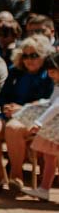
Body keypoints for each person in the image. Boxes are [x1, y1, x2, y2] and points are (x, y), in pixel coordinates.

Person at [0, 35, 55, 191]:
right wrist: (6, 108)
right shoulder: (15, 72)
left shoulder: (49, 75)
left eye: (34, 55)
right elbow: (3, 97)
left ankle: (16, 177)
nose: (29, 59)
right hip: (10, 114)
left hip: (35, 117)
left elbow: (48, 102)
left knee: (13, 128)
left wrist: (23, 109)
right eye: (25, 55)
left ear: (44, 56)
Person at [25, 53, 59, 201]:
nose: (50, 74)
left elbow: (57, 106)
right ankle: (44, 189)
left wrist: (39, 122)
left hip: (55, 127)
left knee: (50, 156)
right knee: (49, 156)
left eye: (53, 71)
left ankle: (44, 188)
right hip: (54, 128)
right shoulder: (57, 84)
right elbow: (52, 102)